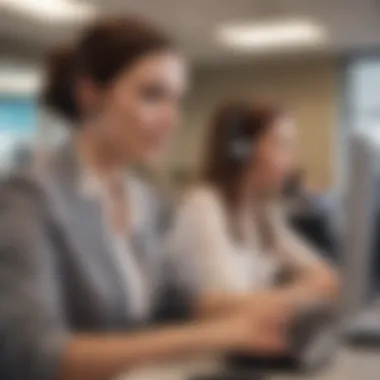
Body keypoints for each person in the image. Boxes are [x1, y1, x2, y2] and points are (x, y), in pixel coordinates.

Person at [0, 17, 288, 380]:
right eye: (152, 95)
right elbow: (36, 356)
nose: (172, 119)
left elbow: (171, 305)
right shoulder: (28, 199)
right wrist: (210, 335)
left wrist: (265, 309)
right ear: (91, 94)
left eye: (177, 100)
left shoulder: (145, 200)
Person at [168, 99, 339, 303]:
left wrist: (309, 286)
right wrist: (303, 290)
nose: (292, 161)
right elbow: (228, 304)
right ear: (242, 150)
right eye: (281, 145)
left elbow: (322, 273)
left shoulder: (260, 211)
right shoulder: (203, 207)